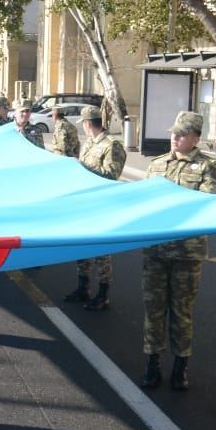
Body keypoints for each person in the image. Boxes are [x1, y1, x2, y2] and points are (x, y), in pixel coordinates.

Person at [140, 111, 216, 391]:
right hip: (156, 251)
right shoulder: (156, 165)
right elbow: (144, 203)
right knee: (153, 309)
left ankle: (180, 366)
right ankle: (152, 363)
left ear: (196, 138)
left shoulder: (207, 168)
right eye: (173, 133)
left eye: (182, 134)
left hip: (187, 253)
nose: (175, 137)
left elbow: (208, 206)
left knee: (181, 311)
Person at [67, 106, 127, 310]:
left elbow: (112, 174)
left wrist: (82, 166)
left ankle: (103, 294)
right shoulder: (89, 143)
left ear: (87, 123)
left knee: (102, 251)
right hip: (85, 204)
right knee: (81, 246)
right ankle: (83, 287)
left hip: (103, 205)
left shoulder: (112, 145)